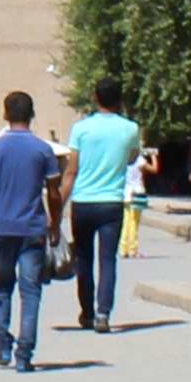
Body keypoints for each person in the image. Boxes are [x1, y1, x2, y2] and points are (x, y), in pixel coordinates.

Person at [0, 90, 62, 371]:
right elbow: (54, 193)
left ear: (5, 115)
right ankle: (24, 354)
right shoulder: (42, 150)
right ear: (32, 115)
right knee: (31, 291)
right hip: (33, 229)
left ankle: (2, 345)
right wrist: (55, 225)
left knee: (2, 287)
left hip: (3, 228)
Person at [62, 83, 144, 332]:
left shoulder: (81, 129)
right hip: (111, 202)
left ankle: (86, 312)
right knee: (108, 259)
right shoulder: (130, 128)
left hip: (83, 201)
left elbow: (72, 169)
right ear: (119, 100)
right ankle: (102, 313)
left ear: (94, 97)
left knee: (84, 259)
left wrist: (56, 208)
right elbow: (132, 158)